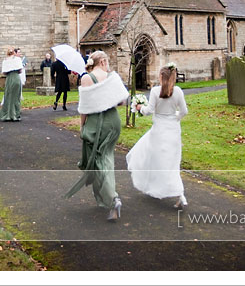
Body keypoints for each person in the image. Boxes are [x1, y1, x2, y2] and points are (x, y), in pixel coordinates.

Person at [64, 50, 129, 221]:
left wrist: (82, 125)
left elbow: (84, 107)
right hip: (113, 121)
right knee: (106, 157)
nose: (108, 65)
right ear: (103, 62)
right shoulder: (112, 77)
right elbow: (122, 102)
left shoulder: (86, 78)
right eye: (107, 61)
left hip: (96, 122)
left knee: (100, 160)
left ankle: (112, 198)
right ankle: (103, 198)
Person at [126, 63, 189, 208]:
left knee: (152, 159)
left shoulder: (155, 91)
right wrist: (175, 118)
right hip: (173, 131)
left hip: (159, 131)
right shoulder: (178, 91)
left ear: (161, 77)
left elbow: (148, 111)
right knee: (172, 164)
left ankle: (166, 188)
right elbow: (184, 111)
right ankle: (178, 194)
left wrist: (140, 107)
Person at [0, 47, 23, 121]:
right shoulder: (18, 59)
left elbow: (4, 72)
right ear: (14, 53)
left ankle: (7, 114)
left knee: (8, 95)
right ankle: (15, 114)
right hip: (16, 77)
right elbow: (20, 70)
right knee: (16, 97)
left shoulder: (5, 60)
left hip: (9, 78)